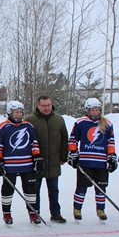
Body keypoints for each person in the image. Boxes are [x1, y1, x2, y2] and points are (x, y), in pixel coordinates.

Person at [0, 101, 44, 226]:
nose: (19, 114)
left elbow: (34, 143)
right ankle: (7, 213)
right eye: (16, 112)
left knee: (30, 189)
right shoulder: (3, 127)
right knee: (8, 188)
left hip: (27, 163)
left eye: (20, 112)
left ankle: (33, 212)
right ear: (10, 113)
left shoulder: (28, 126)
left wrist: (37, 157)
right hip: (10, 165)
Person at [67, 98, 116, 222]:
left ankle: (101, 209)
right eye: (92, 110)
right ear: (88, 110)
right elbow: (73, 139)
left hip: (101, 162)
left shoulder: (107, 124)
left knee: (101, 187)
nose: (95, 112)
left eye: (97, 110)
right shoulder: (81, 123)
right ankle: (77, 208)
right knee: (82, 186)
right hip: (85, 161)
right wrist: (73, 153)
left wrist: (111, 156)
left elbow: (110, 142)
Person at [25, 95, 69, 224]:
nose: (47, 108)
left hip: (54, 161)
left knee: (54, 189)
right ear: (38, 106)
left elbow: (64, 139)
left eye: (49, 105)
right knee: (35, 189)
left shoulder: (59, 119)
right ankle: (35, 213)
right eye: (44, 105)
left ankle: (55, 214)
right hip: (36, 162)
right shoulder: (30, 120)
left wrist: (63, 156)